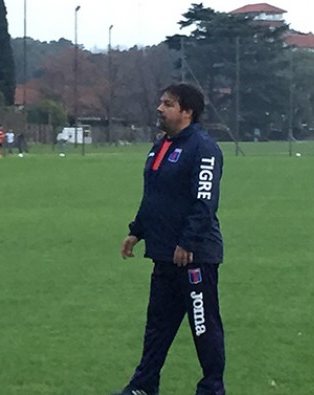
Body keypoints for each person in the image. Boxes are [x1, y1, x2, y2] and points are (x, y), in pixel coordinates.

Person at [114, 83, 226, 395]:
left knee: (203, 328)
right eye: (161, 102)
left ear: (187, 111)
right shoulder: (161, 145)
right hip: (163, 254)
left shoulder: (204, 148)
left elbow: (205, 201)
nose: (160, 108)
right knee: (157, 328)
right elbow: (154, 196)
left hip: (195, 257)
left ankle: (212, 389)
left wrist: (188, 242)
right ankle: (144, 386)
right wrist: (137, 230)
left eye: (168, 103)